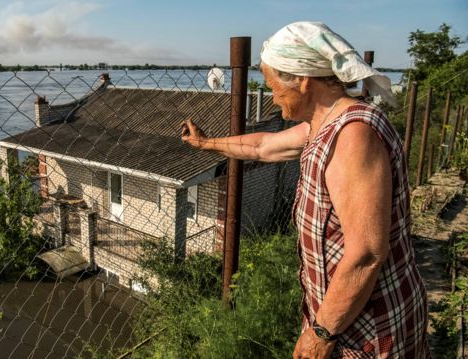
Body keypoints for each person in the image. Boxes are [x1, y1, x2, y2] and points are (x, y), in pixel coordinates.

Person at [181, 22, 430, 358]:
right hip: (348, 317)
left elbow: (367, 254)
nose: (271, 96)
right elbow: (264, 146)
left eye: (272, 86)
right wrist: (206, 143)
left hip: (370, 328)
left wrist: (322, 332)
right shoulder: (324, 125)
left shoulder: (353, 136)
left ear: (302, 80)